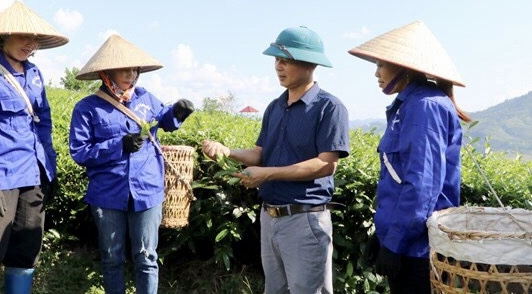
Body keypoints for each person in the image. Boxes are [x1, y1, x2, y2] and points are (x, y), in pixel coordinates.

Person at [202, 26, 350, 294]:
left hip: (305, 219)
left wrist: (267, 174)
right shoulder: (274, 107)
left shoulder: (330, 108)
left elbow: (326, 164)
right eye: (276, 60)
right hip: (270, 217)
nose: (278, 67)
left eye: (286, 60)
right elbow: (260, 153)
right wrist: (228, 151)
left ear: (309, 63)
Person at [348, 20, 472, 294]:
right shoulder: (409, 105)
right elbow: (399, 179)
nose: (376, 73)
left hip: (418, 250)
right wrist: (383, 236)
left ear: (404, 66)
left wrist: (395, 243)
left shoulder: (424, 107)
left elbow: (422, 186)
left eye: (381, 64)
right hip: (407, 242)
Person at [68, 34, 194, 294]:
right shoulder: (87, 108)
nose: (131, 73)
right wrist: (117, 146)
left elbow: (166, 122)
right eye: (124, 68)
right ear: (106, 72)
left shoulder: (147, 99)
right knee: (112, 257)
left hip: (147, 191)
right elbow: (80, 152)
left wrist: (178, 112)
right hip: (107, 193)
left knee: (147, 257)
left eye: (135, 68)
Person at [0, 0, 68, 293]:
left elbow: (43, 125)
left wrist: (49, 170)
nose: (30, 44)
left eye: (34, 39)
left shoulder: (34, 75)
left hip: (33, 175)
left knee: (25, 251)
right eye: (23, 36)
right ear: (2, 37)